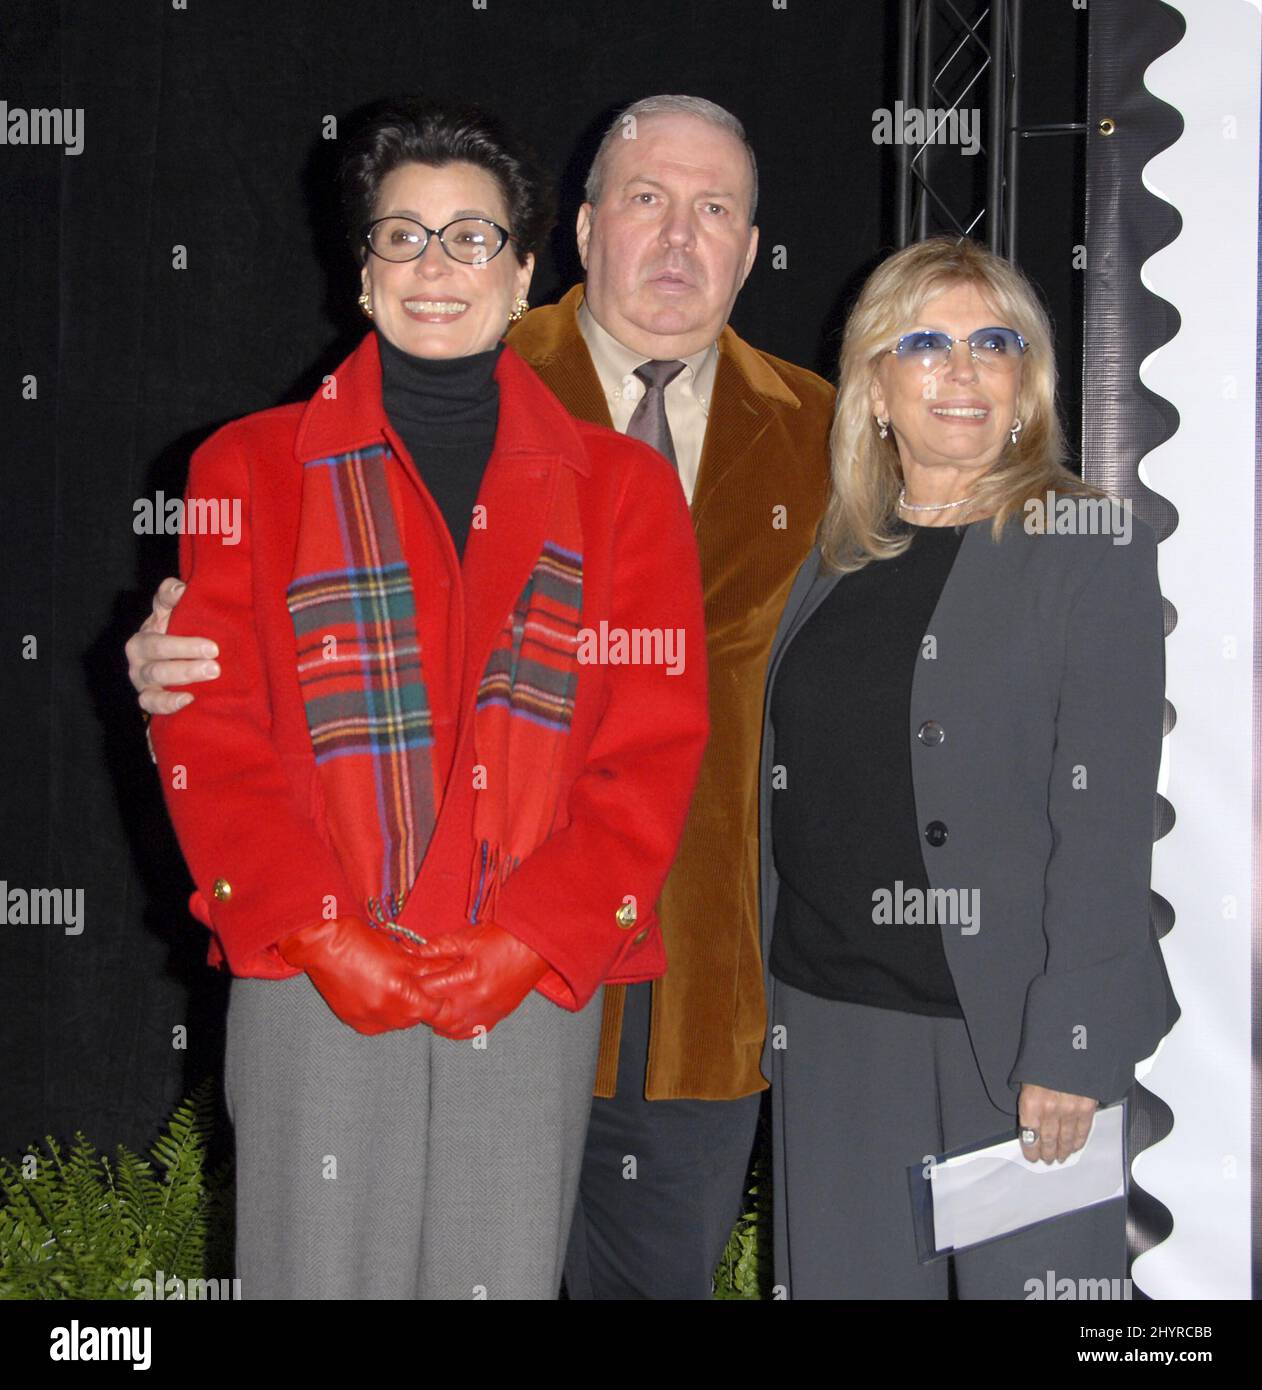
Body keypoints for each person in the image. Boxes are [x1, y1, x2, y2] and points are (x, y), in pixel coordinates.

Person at [128, 94, 833, 1299]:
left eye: (470, 239)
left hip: (531, 971)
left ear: (518, 275)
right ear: (361, 274)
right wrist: (319, 932)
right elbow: (214, 738)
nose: (435, 265)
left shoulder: (619, 485)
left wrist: (531, 938)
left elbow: (652, 743)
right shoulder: (242, 466)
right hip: (310, 975)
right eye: (403, 235)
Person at [757, 234, 1180, 1298]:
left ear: (1025, 384)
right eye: (925, 344)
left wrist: (1069, 1047)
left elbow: (1105, 821)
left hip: (1011, 1031)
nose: (961, 370)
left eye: (992, 343)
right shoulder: (830, 552)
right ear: (874, 390)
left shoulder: (1085, 541)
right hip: (830, 1022)